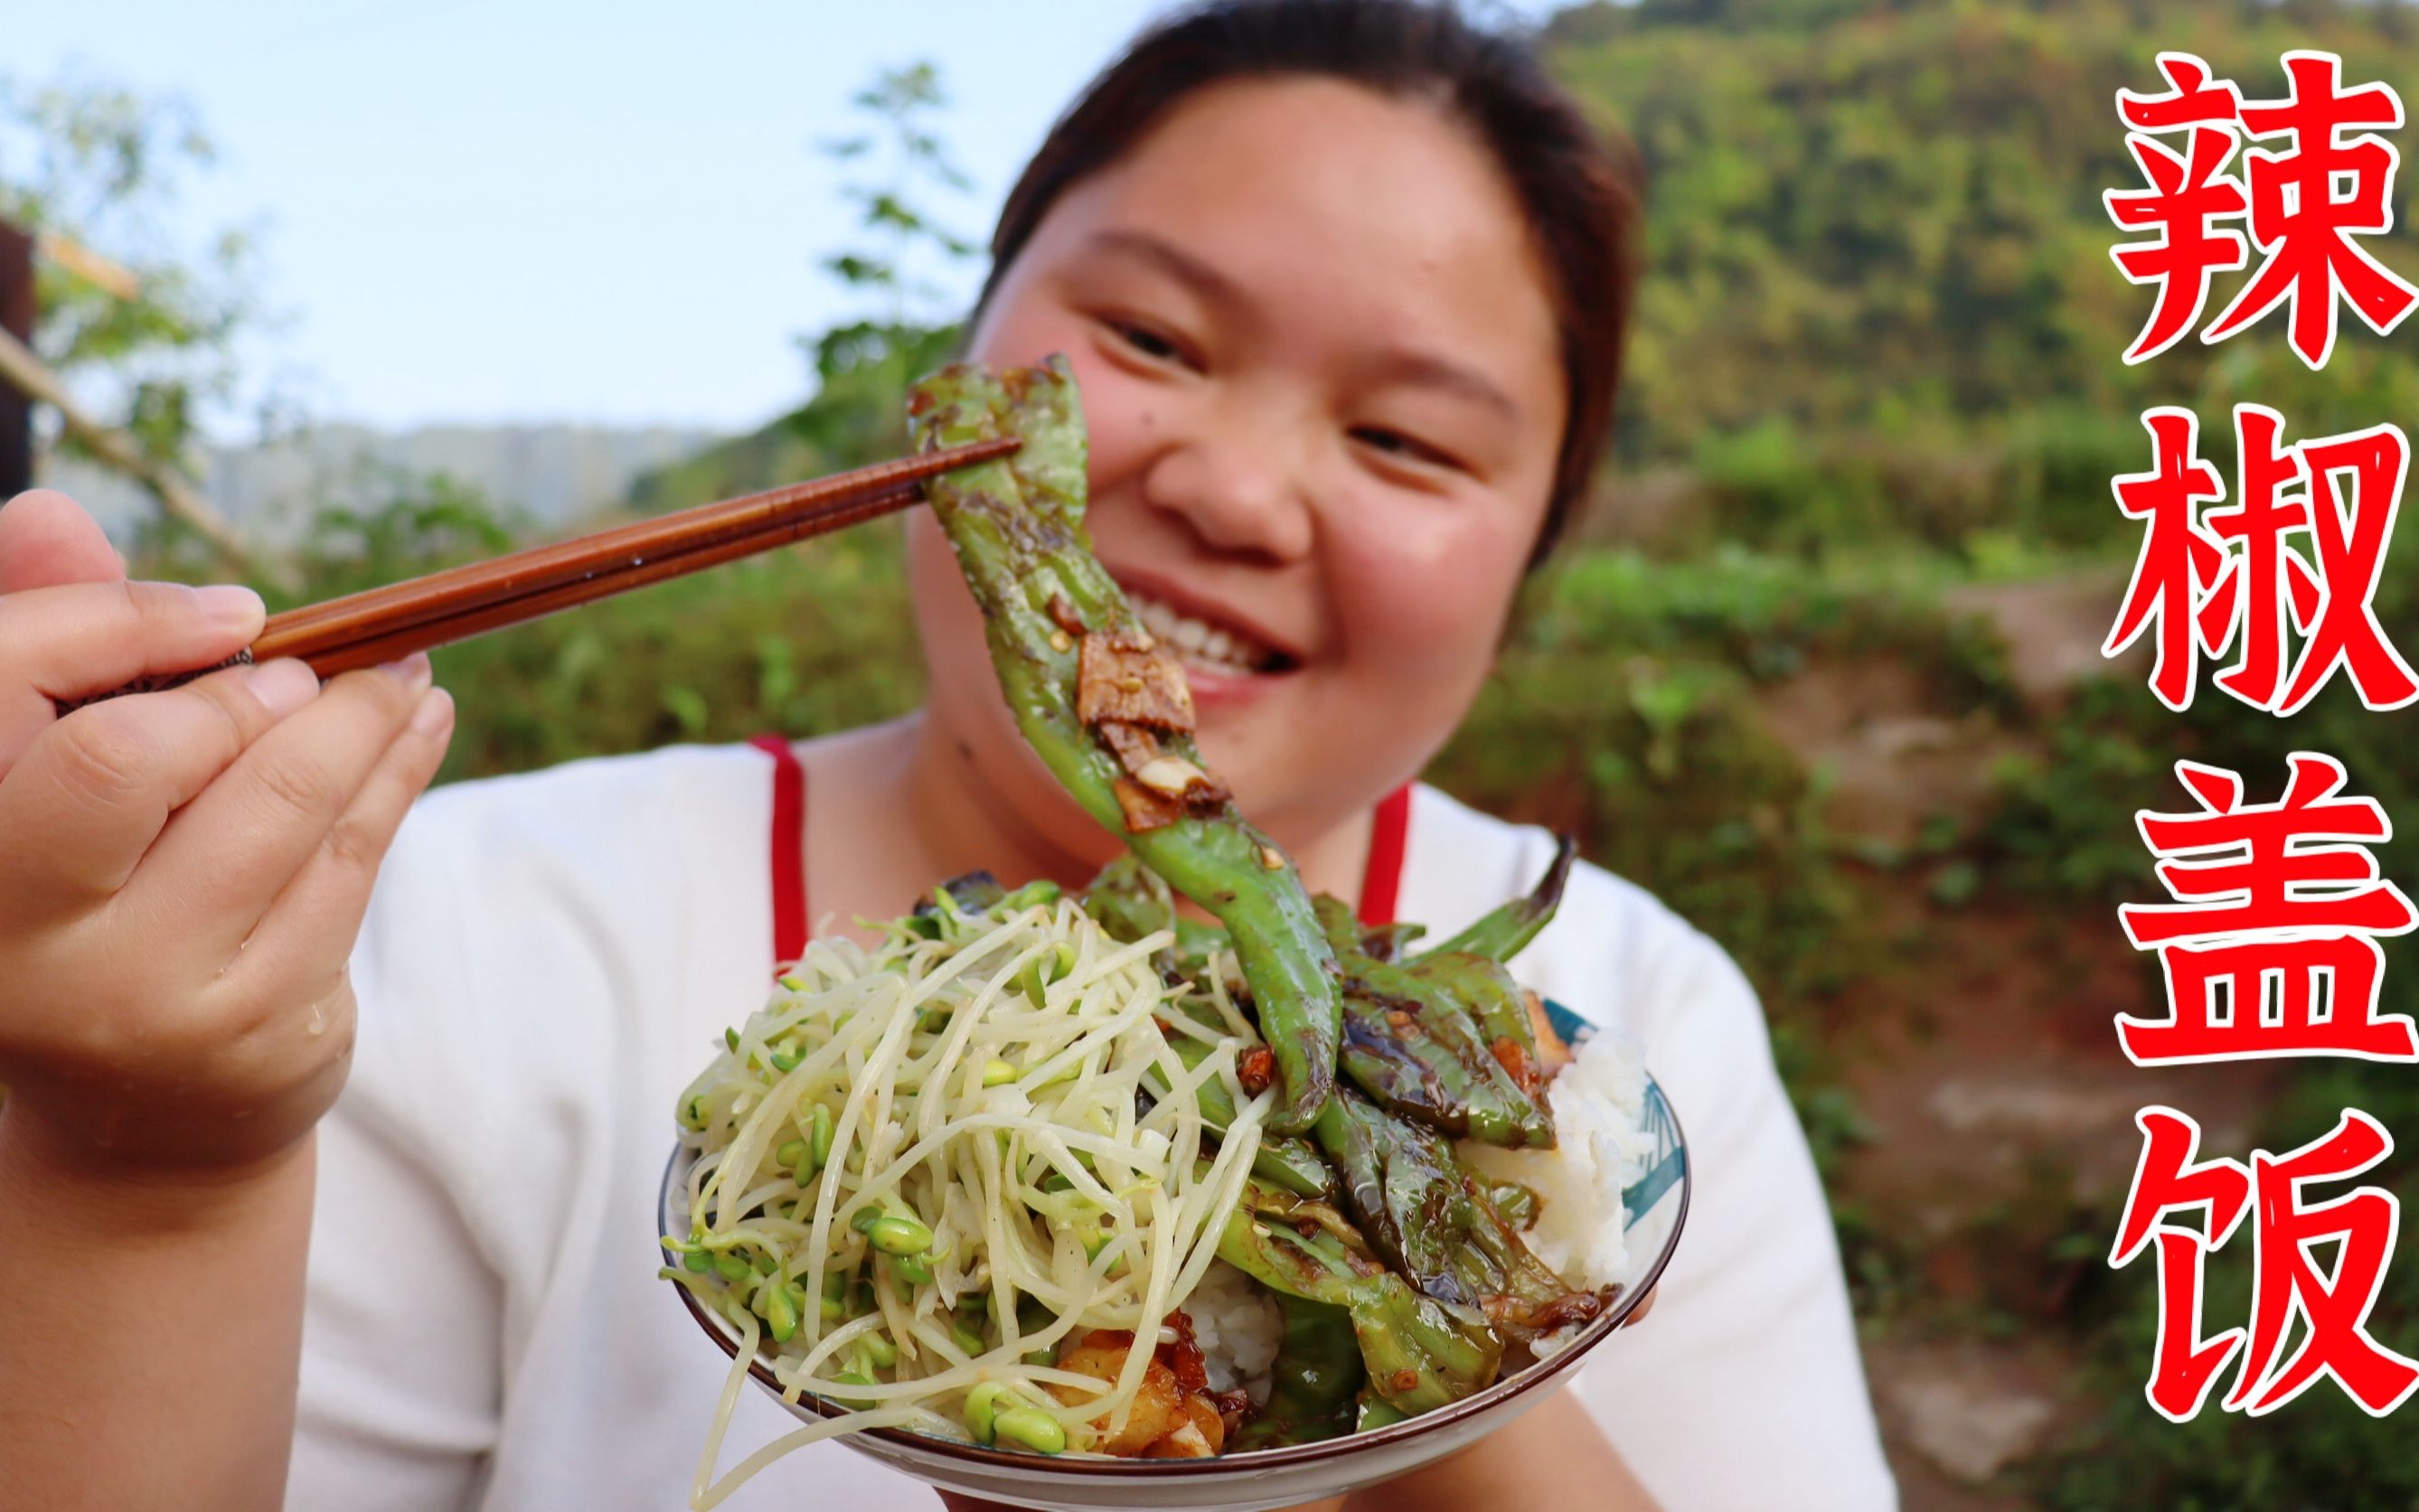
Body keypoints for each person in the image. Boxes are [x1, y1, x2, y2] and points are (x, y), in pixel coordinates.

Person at [0, 3, 1897, 1508]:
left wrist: (1377, 1279)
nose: (1230, 488)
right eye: (1148, 335)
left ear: (1535, 557)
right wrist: (153, 1161)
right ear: (972, 348)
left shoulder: (1637, 1045)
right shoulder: (453, 940)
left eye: (1406, 441)